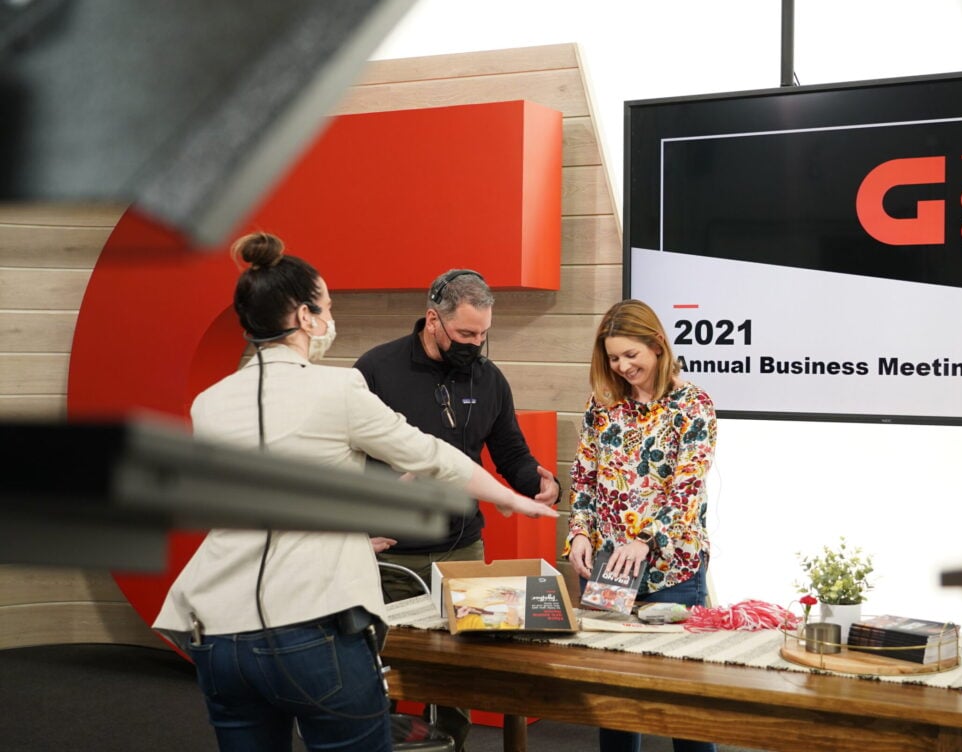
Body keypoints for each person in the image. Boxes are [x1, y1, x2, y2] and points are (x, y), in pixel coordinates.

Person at [153, 233, 556, 752]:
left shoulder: (209, 402)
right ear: (303, 316)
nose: (330, 319)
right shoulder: (342, 385)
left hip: (218, 634)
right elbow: (431, 454)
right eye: (328, 307)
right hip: (311, 628)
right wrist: (512, 500)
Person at [354, 268, 559, 751]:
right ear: (432, 319)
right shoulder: (375, 370)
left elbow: (509, 452)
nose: (476, 343)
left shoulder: (489, 379)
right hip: (389, 551)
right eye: (466, 333)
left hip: (463, 548)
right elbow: (346, 459)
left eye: (484, 333)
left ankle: (455, 746)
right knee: (375, 672)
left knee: (458, 677)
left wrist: (541, 485)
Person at [566, 299, 718, 752]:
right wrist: (578, 532)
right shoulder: (603, 404)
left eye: (631, 355)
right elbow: (585, 477)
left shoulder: (693, 405)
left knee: (684, 703)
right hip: (610, 569)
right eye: (614, 358)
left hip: (674, 572)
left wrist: (646, 539)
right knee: (614, 700)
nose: (623, 366)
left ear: (657, 345)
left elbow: (688, 487)